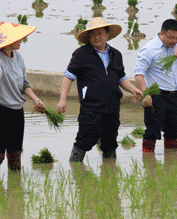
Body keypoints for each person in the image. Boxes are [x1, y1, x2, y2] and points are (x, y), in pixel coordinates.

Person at [57, 17, 142, 162]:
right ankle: (75, 170)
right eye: (93, 34)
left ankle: (109, 173)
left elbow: (121, 77)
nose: (97, 37)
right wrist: (62, 99)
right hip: (91, 108)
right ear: (89, 36)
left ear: (107, 35)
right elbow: (68, 77)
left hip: (112, 108)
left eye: (100, 33)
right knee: (84, 140)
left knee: (110, 144)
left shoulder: (116, 54)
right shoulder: (81, 54)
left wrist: (133, 90)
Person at [0, 22, 46, 174]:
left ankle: (15, 189)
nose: (21, 41)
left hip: (16, 111)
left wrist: (36, 99)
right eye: (18, 39)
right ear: (8, 42)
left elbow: (24, 83)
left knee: (15, 152)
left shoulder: (18, 57)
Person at [134, 19, 177, 153]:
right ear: (162, 34)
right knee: (152, 131)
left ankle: (171, 162)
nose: (174, 41)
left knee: (173, 131)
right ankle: (148, 162)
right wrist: (145, 94)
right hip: (156, 95)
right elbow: (139, 74)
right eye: (171, 38)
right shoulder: (149, 49)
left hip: (173, 95)